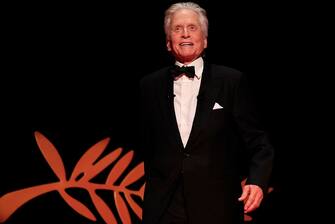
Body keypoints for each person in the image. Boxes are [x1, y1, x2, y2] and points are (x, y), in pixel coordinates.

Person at [139, 2, 274, 224]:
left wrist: (257, 181)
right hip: (163, 208)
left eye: (192, 28)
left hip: (217, 207)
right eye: (177, 28)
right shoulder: (148, 86)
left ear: (205, 39)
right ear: (167, 42)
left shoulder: (231, 81)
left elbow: (259, 142)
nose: (185, 34)